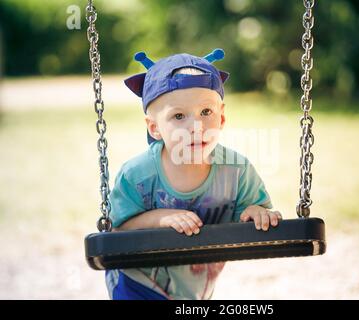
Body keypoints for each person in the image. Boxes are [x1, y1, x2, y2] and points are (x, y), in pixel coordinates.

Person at [105, 48, 282, 300]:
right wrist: (159, 218)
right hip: (138, 281)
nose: (195, 126)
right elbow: (116, 230)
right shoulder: (138, 175)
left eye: (206, 112)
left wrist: (256, 212)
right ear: (154, 128)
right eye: (178, 116)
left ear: (221, 118)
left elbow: (254, 212)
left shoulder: (236, 170)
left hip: (195, 288)